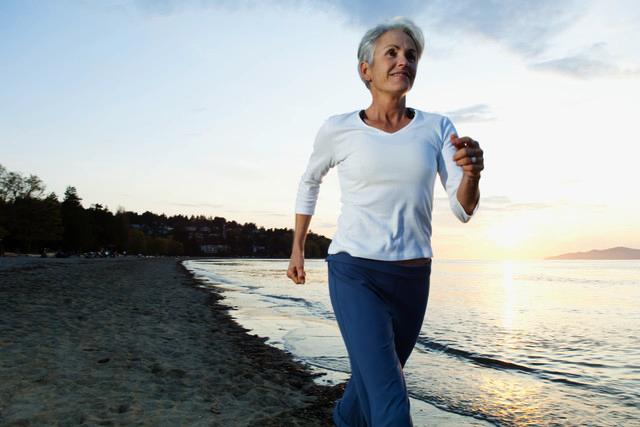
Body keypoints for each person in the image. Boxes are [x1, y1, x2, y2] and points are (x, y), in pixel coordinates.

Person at [287, 16, 484, 426]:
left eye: (410, 55)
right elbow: (309, 181)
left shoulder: (437, 128)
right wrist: (298, 249)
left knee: (367, 389)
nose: (402, 61)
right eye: (391, 53)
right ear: (366, 70)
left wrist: (472, 175)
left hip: (413, 279)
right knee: (392, 403)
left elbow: (463, 210)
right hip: (355, 272)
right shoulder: (338, 129)